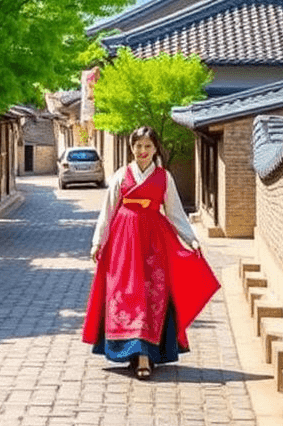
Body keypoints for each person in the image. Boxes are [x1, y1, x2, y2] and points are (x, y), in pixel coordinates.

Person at [82, 125, 220, 380]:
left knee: (151, 293)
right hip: (123, 239)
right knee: (127, 293)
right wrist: (97, 242)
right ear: (131, 148)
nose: (142, 151)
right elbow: (108, 211)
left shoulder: (164, 178)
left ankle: (146, 354)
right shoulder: (121, 176)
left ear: (156, 148)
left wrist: (191, 239)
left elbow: (175, 212)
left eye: (147, 146)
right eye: (137, 146)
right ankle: (136, 354)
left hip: (154, 241)